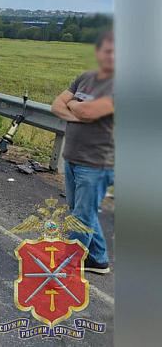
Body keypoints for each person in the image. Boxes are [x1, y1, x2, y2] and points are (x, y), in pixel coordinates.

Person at [51, 30, 115, 274]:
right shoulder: (85, 77)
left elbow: (87, 111)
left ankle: (68, 266)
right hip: (73, 157)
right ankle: (98, 258)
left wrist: (76, 106)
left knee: (81, 216)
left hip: (97, 163)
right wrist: (80, 113)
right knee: (80, 212)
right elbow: (56, 106)